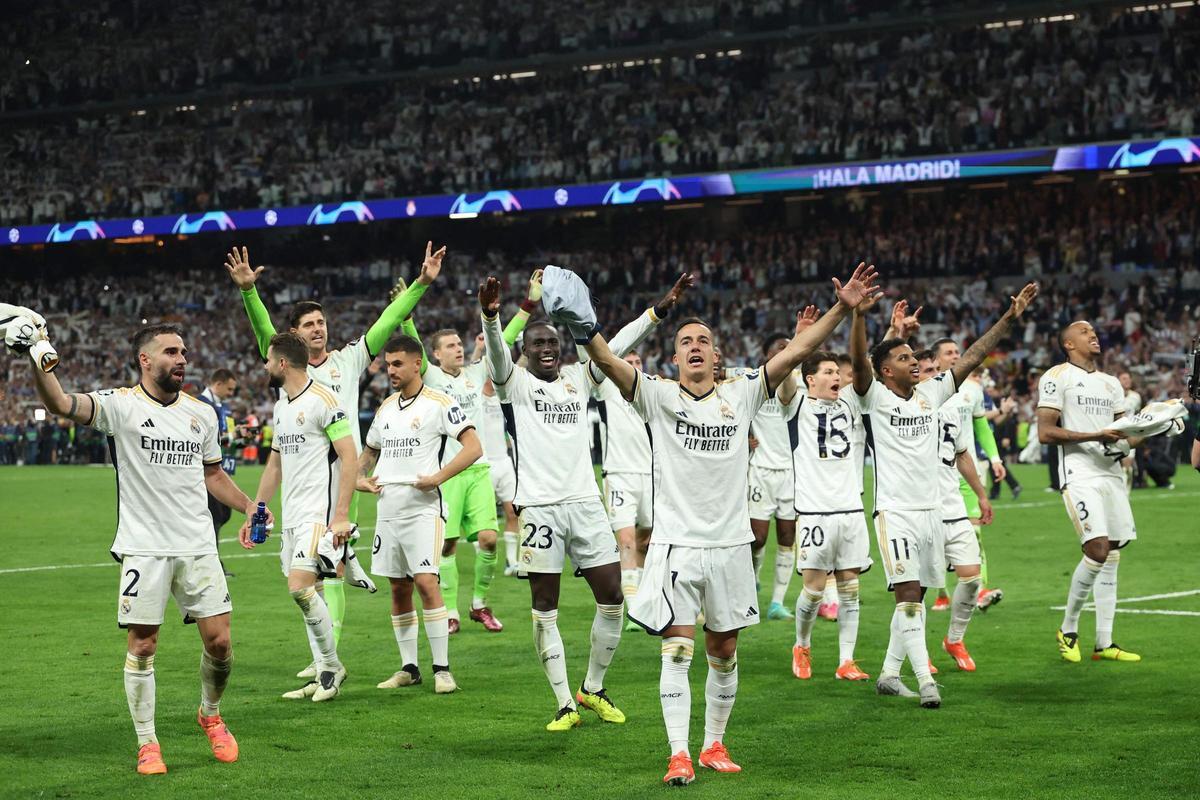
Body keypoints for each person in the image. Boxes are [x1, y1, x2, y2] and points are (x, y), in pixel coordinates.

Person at [581, 263, 880, 786]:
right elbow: (605, 357)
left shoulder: (742, 394)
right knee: (676, 649)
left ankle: (714, 743)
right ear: (674, 358)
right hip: (676, 547)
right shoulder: (656, 395)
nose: (695, 346)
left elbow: (796, 353)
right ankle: (678, 753)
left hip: (731, 546)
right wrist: (583, 325)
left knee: (723, 651)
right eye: (685, 341)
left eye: (703, 340)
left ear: (716, 355)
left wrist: (842, 307)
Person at [15, 321, 258, 774]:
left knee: (221, 643)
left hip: (197, 545)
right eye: (170, 351)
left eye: (183, 351)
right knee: (144, 645)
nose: (181, 358)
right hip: (144, 548)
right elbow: (62, 403)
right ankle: (148, 743)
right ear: (145, 360)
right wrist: (38, 355)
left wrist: (249, 506)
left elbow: (212, 474)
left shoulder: (201, 414)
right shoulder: (120, 406)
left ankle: (210, 714)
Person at [225, 243, 438, 671]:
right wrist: (249, 292)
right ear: (292, 337)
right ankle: (327, 647)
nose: (318, 329)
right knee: (314, 576)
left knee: (327, 570)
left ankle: (329, 657)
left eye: (321, 321)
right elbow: (264, 331)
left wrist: (421, 284)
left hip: (343, 478)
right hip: (302, 483)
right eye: (308, 324)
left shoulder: (348, 360)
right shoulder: (288, 371)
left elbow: (388, 321)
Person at [850, 281, 1037, 708]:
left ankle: (888, 675)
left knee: (912, 599)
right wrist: (859, 315)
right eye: (903, 357)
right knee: (909, 597)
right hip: (894, 512)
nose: (914, 361)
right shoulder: (873, 397)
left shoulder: (932, 394)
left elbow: (972, 357)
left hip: (933, 512)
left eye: (914, 356)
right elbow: (861, 363)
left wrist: (1009, 318)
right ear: (885, 371)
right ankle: (926, 683)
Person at [478, 272, 641, 733]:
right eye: (538, 344)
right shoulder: (514, 385)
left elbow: (611, 347)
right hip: (541, 510)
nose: (548, 348)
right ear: (525, 352)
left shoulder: (578, 378)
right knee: (544, 605)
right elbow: (495, 354)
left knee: (612, 598)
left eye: (553, 341)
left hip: (587, 504)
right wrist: (491, 318)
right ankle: (564, 701)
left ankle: (593, 686)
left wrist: (656, 312)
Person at [406, 274, 541, 633]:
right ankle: (450, 612)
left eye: (458, 344)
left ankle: (479, 604)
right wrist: (406, 315)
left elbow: (505, 336)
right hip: (448, 473)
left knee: (489, 538)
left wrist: (528, 304)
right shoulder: (432, 378)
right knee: (447, 544)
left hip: (479, 468)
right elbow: (413, 347)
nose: (457, 349)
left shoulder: (476, 372)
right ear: (435, 354)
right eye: (449, 346)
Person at [357, 334, 483, 694]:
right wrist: (358, 479)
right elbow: (368, 453)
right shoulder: (384, 408)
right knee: (398, 588)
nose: (390, 370)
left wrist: (438, 478)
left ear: (417, 364)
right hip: (388, 510)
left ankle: (442, 669)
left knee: (427, 583)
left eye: (397, 363)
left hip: (424, 510)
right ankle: (409, 668)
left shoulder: (440, 403)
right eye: (387, 364)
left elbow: (473, 447)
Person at [240, 333, 360, 701]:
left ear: (281, 363)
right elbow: (275, 463)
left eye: (267, 360)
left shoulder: (325, 400)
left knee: (300, 589)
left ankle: (331, 668)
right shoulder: (282, 407)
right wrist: (257, 510)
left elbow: (350, 457)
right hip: (291, 517)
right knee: (312, 594)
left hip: (316, 514)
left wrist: (340, 516)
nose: (264, 366)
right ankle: (321, 670)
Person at [1039, 322, 1143, 664]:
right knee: (1096, 549)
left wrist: (1158, 426)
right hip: (1079, 474)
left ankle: (1104, 643)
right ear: (1068, 343)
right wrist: (1096, 435)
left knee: (1112, 552)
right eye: (1084, 332)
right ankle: (1068, 628)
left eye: (1094, 331)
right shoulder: (1056, 377)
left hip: (1111, 474)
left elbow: (1125, 437)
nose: (1093, 334)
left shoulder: (1111, 383)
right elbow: (1045, 432)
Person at [785, 350, 872, 682]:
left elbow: (869, 365)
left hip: (850, 508)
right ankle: (802, 645)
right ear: (810, 379)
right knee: (814, 589)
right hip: (814, 512)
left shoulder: (849, 403)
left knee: (851, 588)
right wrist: (799, 339)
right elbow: (783, 384)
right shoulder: (797, 405)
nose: (837, 377)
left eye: (838, 372)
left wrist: (894, 332)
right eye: (829, 372)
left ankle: (846, 661)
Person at [916, 350, 995, 671]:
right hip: (919, 510)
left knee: (972, 577)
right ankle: (919, 651)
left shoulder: (952, 408)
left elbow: (962, 454)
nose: (934, 374)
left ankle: (954, 638)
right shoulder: (902, 409)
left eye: (936, 369)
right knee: (917, 589)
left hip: (953, 505)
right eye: (924, 370)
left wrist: (981, 495)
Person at [923, 335, 1006, 612]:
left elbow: (981, 427)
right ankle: (942, 593)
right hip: (933, 475)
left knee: (972, 533)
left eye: (958, 351)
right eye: (949, 352)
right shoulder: (923, 390)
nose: (956, 356)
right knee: (934, 538)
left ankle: (979, 589)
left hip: (966, 469)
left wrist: (994, 458)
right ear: (935, 360)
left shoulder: (972, 389)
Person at [747, 333, 801, 621]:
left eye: (788, 347)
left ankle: (777, 603)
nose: (786, 351)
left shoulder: (798, 383)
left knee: (787, 536)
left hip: (791, 473)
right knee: (756, 538)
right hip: (760, 470)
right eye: (780, 348)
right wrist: (746, 436)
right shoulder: (754, 384)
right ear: (767, 355)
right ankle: (753, 578)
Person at [197, 368, 238, 576]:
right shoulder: (201, 405)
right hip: (207, 473)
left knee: (222, 515)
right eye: (229, 389)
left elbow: (227, 436)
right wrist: (230, 436)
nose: (231, 393)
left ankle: (209, 562)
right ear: (218, 383)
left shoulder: (224, 407)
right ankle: (212, 565)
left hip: (225, 470)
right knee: (213, 518)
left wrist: (239, 437)